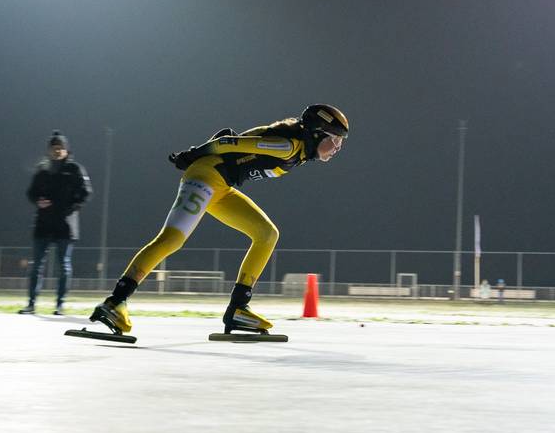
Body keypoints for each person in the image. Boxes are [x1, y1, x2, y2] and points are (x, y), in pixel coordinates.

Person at [90, 104, 349, 337]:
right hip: (206, 175)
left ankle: (238, 308)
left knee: (267, 234)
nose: (338, 147)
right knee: (171, 239)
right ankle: (115, 302)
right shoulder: (287, 146)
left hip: (222, 186)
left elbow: (240, 140)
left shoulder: (300, 151)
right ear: (317, 133)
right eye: (335, 140)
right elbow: (227, 143)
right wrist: (193, 154)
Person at [20, 130, 93, 315]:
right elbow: (31, 192)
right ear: (49, 150)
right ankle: (31, 304)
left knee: (64, 265)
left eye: (60, 148)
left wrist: (72, 207)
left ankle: (60, 305)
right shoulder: (42, 170)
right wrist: (38, 201)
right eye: (54, 148)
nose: (57, 151)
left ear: (67, 150)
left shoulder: (75, 169)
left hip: (65, 225)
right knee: (36, 265)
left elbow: (86, 192)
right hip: (43, 224)